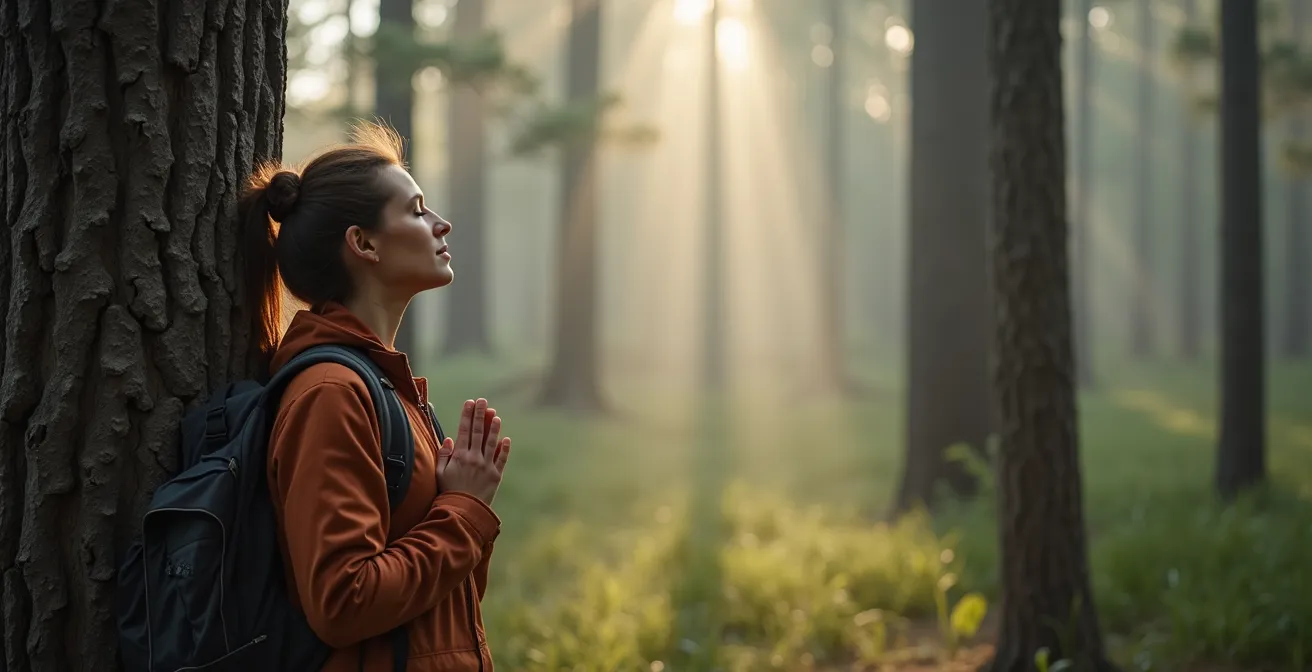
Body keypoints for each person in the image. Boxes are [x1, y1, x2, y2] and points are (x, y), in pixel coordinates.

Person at [238, 121, 511, 671]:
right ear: (363, 244)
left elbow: (437, 603)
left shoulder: (384, 386)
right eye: (415, 210)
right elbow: (343, 601)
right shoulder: (331, 395)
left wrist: (459, 508)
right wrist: (464, 509)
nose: (442, 224)